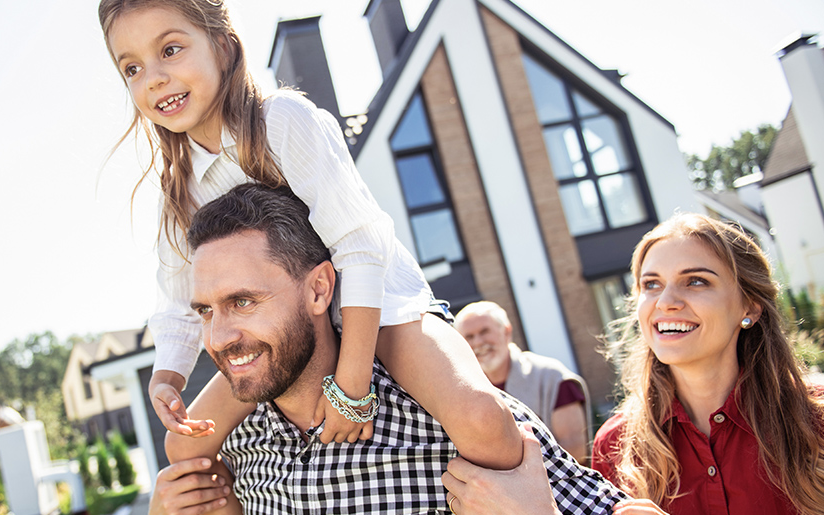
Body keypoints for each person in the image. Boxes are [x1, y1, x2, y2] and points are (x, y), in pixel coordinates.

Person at [97, 0, 522, 475]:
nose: (152, 77)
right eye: (132, 68)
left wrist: (352, 385)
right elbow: (177, 303)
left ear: (221, 45)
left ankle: (525, 497)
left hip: (376, 305)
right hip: (284, 326)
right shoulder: (178, 189)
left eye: (170, 50)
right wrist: (167, 378)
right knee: (183, 451)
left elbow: (360, 246)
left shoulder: (280, 120)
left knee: (481, 419)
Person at [151, 183, 626, 514]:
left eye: (244, 301)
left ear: (319, 290)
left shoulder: (435, 409)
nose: (218, 337)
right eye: (207, 311)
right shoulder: (227, 452)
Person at [590, 213, 824, 514]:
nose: (665, 301)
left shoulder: (815, 421)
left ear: (749, 306)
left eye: (696, 281)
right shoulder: (614, 446)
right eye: (651, 284)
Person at [454, 301, 591, 464]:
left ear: (506, 332)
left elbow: (575, 448)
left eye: (485, 331)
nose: (478, 342)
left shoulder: (551, 377)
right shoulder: (460, 391)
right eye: (469, 337)